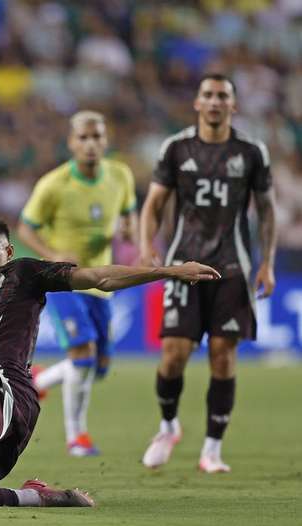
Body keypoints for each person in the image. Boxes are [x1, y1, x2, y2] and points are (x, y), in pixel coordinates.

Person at [0, 216, 219, 507]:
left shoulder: (22, 274)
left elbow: (100, 278)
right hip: (9, 414)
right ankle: (42, 497)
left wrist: (169, 271)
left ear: (8, 251)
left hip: (2, 390)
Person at [139, 73, 277, 473]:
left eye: (223, 96)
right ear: (197, 103)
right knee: (173, 355)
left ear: (233, 105)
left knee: (223, 355)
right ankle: (168, 427)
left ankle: (213, 449)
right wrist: (149, 246)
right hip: (184, 266)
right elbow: (154, 203)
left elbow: (266, 211)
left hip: (233, 268)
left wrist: (266, 262)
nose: (215, 102)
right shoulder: (177, 148)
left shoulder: (251, 151)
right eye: (208, 95)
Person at [16, 111, 137, 456]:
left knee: (98, 366)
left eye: (96, 137)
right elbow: (26, 227)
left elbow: (129, 211)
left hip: (101, 281)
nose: (90, 144)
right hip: (65, 282)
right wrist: (52, 255)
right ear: (71, 143)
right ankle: (77, 437)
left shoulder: (120, 175)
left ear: (105, 140)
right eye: (83, 138)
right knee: (82, 353)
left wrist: (131, 228)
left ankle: (39, 381)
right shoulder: (53, 184)